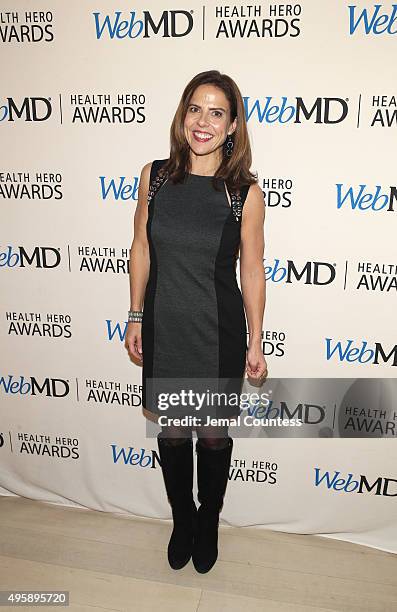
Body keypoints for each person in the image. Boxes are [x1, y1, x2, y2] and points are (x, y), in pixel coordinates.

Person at [125, 70, 267, 574]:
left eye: (216, 112)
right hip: (165, 325)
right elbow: (140, 247)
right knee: (171, 432)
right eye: (195, 108)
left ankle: (208, 520)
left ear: (232, 127)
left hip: (218, 331)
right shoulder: (155, 176)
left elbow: (251, 268)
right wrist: (136, 313)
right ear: (183, 115)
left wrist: (256, 340)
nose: (203, 121)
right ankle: (181, 518)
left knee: (210, 433)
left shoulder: (243, 193)